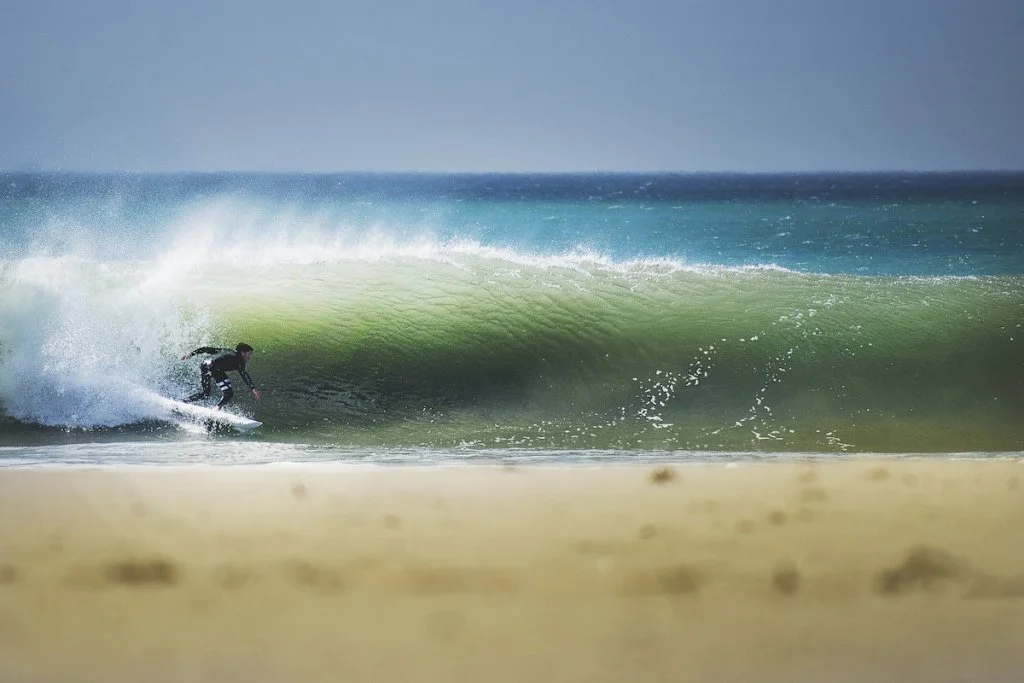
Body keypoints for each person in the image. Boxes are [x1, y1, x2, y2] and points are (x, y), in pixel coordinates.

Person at [181, 343, 263, 409]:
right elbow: (244, 375)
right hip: (213, 368)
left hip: (205, 365)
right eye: (249, 354)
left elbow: (206, 349)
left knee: (206, 394)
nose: (250, 357)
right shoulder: (239, 362)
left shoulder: (226, 350)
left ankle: (184, 401)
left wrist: (190, 355)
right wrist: (253, 389)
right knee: (229, 394)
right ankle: (217, 408)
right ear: (242, 353)